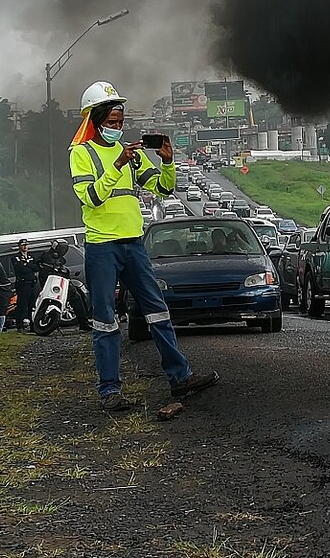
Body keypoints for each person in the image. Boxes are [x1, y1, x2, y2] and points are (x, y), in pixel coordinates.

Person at [69, 80, 218, 411]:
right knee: (105, 320)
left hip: (133, 244)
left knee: (158, 311)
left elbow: (164, 190)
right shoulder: (81, 154)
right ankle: (109, 390)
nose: (117, 128)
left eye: (120, 123)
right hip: (102, 247)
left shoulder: (133, 155)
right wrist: (117, 166)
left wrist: (167, 162)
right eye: (111, 123)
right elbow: (91, 197)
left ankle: (180, 378)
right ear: (94, 120)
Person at [38, 239, 91, 332]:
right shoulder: (47, 256)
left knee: (76, 298)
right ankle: (43, 320)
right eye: (62, 248)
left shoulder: (58, 258)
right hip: (52, 284)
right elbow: (47, 270)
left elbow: (62, 268)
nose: (64, 250)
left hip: (62, 282)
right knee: (46, 302)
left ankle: (84, 322)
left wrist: (65, 271)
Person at [11, 239, 37, 332]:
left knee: (32, 305)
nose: (25, 247)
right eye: (23, 245)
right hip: (22, 284)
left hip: (31, 284)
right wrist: (29, 265)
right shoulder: (15, 257)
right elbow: (21, 269)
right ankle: (20, 325)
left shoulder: (31, 256)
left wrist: (27, 264)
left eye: (26, 245)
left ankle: (33, 325)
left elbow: (36, 267)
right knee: (22, 305)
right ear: (19, 246)